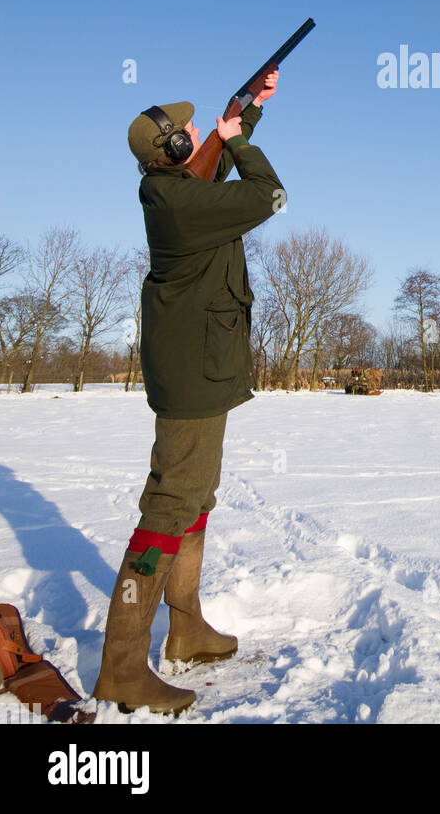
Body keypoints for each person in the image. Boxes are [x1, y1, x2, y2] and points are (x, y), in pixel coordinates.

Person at [93, 71, 284, 715]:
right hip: (194, 377)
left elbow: (213, 167)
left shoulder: (176, 190)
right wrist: (243, 145)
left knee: (195, 498)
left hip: (204, 367)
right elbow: (267, 195)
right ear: (172, 149)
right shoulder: (179, 205)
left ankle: (187, 628)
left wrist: (248, 111)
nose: (199, 134)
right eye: (190, 133)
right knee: (169, 508)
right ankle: (121, 667)